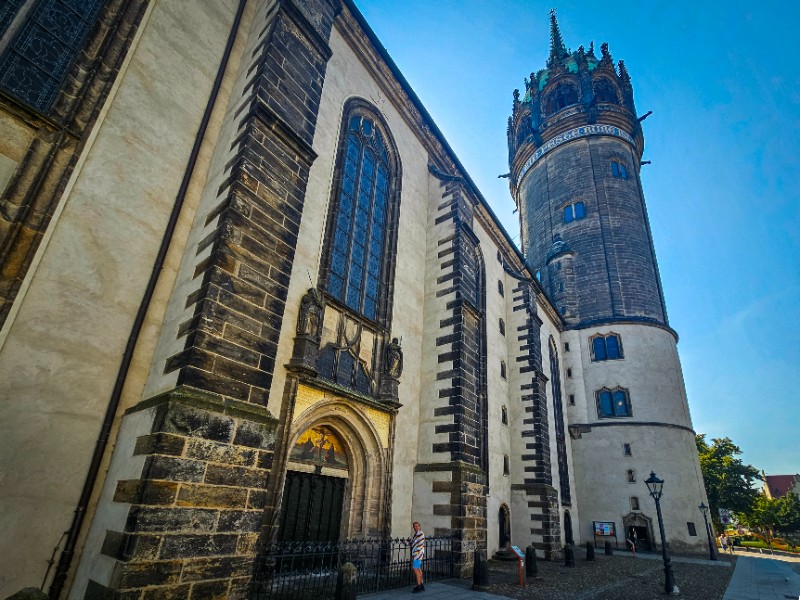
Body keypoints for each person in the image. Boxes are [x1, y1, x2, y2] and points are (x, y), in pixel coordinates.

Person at [411, 521, 425, 593]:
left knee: (416, 570)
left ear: (419, 526)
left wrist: (415, 554)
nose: (415, 527)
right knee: (418, 569)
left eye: (416, 526)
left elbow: (420, 545)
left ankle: (418, 586)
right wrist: (405, 542)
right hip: (418, 554)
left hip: (417, 555)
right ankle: (421, 585)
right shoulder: (416, 534)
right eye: (414, 526)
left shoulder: (421, 534)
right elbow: (413, 543)